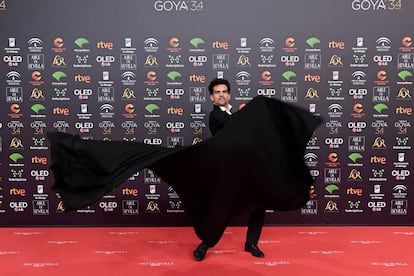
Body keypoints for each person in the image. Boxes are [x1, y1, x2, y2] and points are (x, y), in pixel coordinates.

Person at [193, 78, 266, 261]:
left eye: (224, 91)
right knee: (221, 211)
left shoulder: (232, 114)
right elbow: (235, 126)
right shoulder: (216, 116)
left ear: (229, 95)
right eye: (217, 92)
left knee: (259, 204)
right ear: (211, 97)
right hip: (227, 170)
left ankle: (251, 242)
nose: (221, 95)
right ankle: (204, 245)